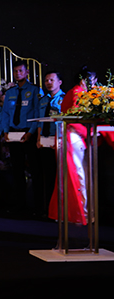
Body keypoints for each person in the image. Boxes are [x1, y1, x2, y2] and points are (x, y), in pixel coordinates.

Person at [49, 66, 97, 225]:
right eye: (92, 80)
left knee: (75, 176)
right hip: (73, 137)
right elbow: (73, 118)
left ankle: (75, 213)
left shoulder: (76, 92)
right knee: (78, 176)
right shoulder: (77, 93)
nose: (94, 84)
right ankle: (81, 213)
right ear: (84, 81)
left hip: (73, 137)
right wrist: (90, 133)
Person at [1, 60, 41, 212]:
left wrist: (31, 132)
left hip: (29, 134)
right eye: (15, 71)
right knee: (17, 170)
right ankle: (20, 205)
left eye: (21, 71)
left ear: (27, 72)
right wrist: (5, 131)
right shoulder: (10, 92)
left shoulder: (35, 90)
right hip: (13, 134)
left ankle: (37, 206)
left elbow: (38, 113)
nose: (18, 74)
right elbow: (5, 113)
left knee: (35, 170)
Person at [34, 71, 65, 216]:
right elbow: (40, 121)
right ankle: (47, 209)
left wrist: (60, 140)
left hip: (58, 142)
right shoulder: (42, 100)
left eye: (52, 80)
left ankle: (59, 209)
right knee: (46, 176)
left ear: (59, 82)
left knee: (59, 177)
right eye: (46, 80)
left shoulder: (64, 99)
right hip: (44, 142)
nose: (48, 83)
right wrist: (38, 139)